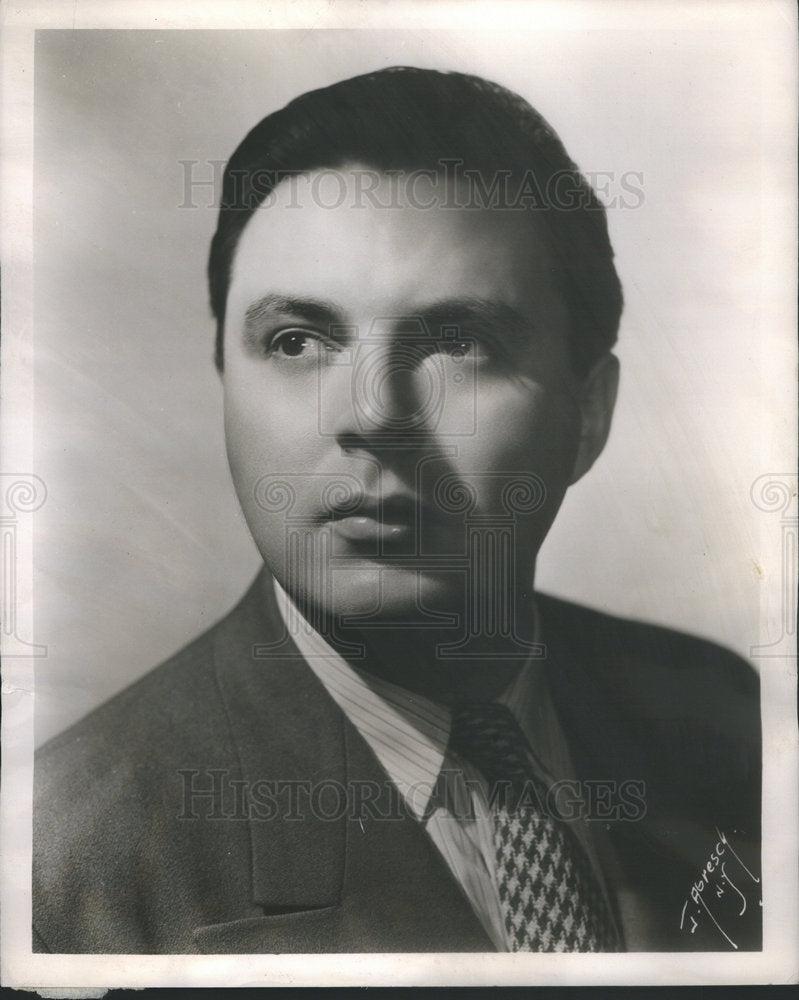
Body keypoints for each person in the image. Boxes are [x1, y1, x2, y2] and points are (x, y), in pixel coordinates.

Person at [33, 67, 761, 954]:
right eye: (297, 341)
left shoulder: (725, 719)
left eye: (459, 342)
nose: (373, 416)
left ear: (589, 416)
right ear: (225, 384)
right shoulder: (59, 871)